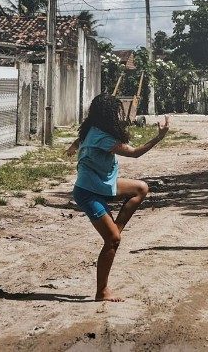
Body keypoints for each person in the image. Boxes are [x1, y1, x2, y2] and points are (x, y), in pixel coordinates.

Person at [66, 94, 169, 302]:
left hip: (103, 185)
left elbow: (80, 140)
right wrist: (159, 137)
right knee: (112, 240)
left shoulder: (91, 130)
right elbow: (135, 153)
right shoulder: (101, 137)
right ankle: (101, 291)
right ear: (108, 115)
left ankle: (115, 231)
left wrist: (73, 147)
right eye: (115, 112)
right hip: (88, 191)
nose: (118, 116)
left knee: (140, 188)